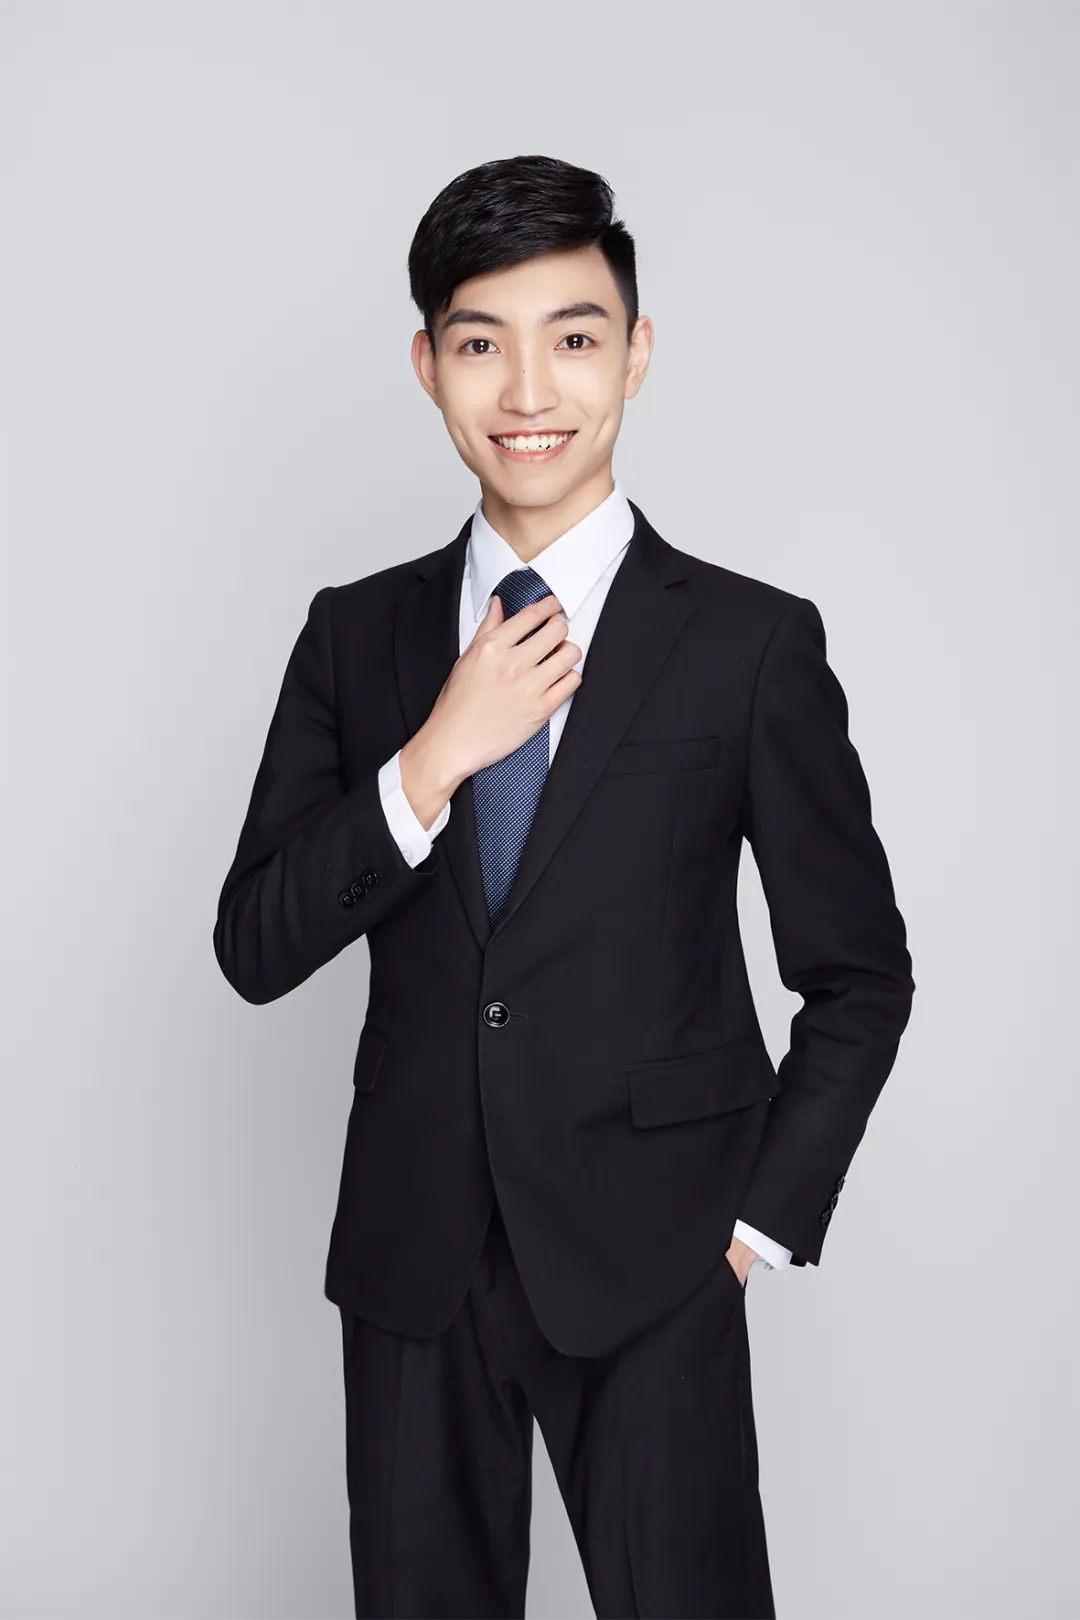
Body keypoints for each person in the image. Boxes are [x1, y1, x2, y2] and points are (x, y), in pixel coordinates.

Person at [213, 153, 915, 1619]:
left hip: (660, 1255)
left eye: (574, 337)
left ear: (636, 354)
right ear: (428, 366)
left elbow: (859, 976)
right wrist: (429, 761)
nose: (529, 389)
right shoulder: (354, 637)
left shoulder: (749, 643)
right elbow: (255, 945)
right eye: (481, 343)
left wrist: (757, 1224)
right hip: (413, 1257)